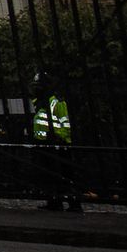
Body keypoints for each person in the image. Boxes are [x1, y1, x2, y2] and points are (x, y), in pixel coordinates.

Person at [32, 72, 80, 211]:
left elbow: (65, 122)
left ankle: (73, 202)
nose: (36, 88)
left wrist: (63, 139)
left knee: (65, 175)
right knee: (49, 175)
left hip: (58, 144)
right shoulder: (40, 102)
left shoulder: (55, 101)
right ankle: (54, 200)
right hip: (44, 143)